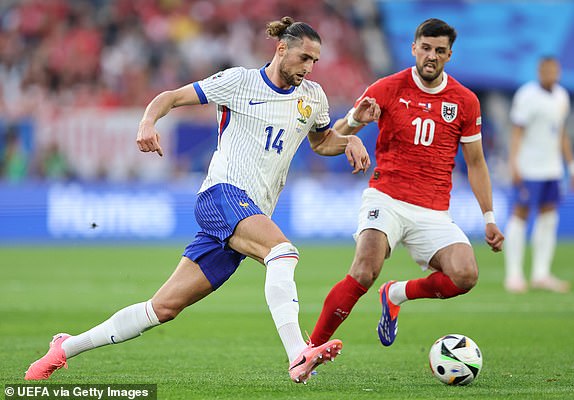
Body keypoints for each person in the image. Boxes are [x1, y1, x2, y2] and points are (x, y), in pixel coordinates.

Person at [25, 16, 377, 384]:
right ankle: (297, 354)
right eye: (304, 58)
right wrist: (147, 123)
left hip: (250, 211)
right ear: (281, 49)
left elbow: (321, 143)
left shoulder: (313, 97)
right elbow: (170, 97)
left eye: (314, 61)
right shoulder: (239, 81)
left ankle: (64, 348)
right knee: (283, 252)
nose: (309, 67)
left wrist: (351, 136)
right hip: (222, 194)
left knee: (161, 308)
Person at [308, 18, 504, 349]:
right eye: (426, 48)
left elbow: (476, 162)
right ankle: (309, 351)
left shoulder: (465, 101)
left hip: (434, 210)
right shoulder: (386, 88)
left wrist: (489, 218)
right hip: (386, 198)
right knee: (364, 270)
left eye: (439, 51)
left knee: (466, 275)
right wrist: (357, 120)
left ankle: (396, 292)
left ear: (449, 55)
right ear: (414, 48)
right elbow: (328, 141)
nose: (431, 56)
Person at [504, 56, 574, 293]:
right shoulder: (527, 95)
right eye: (545, 70)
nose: (550, 74)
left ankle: (541, 274)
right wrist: (513, 163)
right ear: (539, 71)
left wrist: (570, 165)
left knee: (549, 217)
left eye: (554, 70)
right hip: (529, 167)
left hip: (552, 168)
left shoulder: (562, 96)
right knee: (520, 215)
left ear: (558, 72)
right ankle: (514, 274)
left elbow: (561, 133)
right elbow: (516, 132)